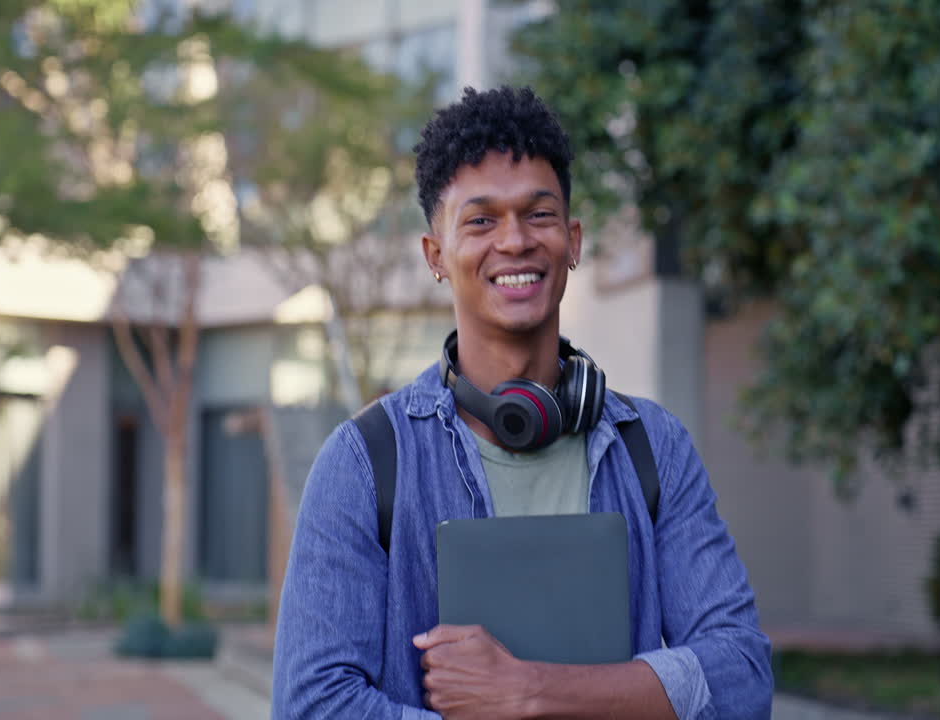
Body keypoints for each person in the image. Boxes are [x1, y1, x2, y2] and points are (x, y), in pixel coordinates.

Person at [272, 86, 773, 719]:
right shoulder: (364, 462)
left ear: (573, 241)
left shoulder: (654, 446)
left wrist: (527, 692)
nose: (514, 241)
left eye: (538, 214)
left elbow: (742, 676)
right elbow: (311, 705)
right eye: (481, 221)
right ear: (435, 256)